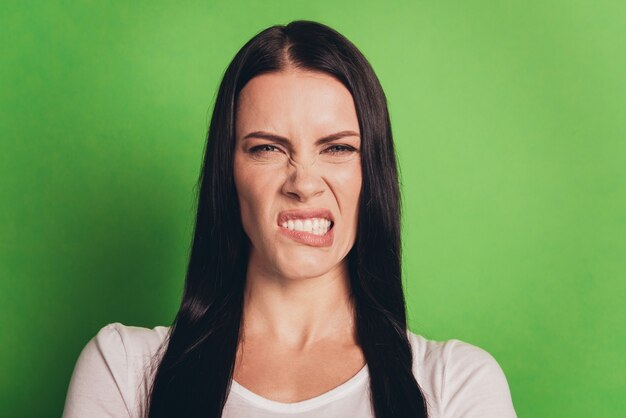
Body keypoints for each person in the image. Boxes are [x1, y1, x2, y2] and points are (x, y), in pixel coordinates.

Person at [62, 20, 517, 418]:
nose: (304, 182)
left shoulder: (457, 385)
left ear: (371, 174)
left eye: (337, 148)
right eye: (268, 148)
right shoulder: (124, 369)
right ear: (230, 175)